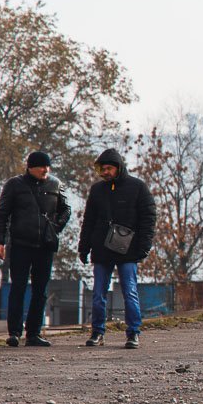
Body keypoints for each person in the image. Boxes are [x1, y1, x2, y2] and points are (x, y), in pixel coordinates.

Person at [78, 149, 157, 349]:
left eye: (108, 168)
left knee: (129, 291)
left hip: (128, 249)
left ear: (118, 168)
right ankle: (97, 332)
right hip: (101, 249)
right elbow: (88, 221)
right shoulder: (97, 190)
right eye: (102, 169)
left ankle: (133, 333)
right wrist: (84, 247)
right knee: (98, 294)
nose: (105, 172)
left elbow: (148, 219)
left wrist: (143, 247)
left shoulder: (138, 187)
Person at [0, 151, 71, 347]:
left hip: (45, 245)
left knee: (40, 291)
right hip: (20, 245)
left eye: (47, 167)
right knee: (17, 287)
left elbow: (66, 210)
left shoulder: (56, 184)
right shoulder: (14, 185)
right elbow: (2, 215)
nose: (46, 170)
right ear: (30, 167)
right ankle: (14, 333)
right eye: (42, 166)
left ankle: (33, 333)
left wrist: (56, 227)